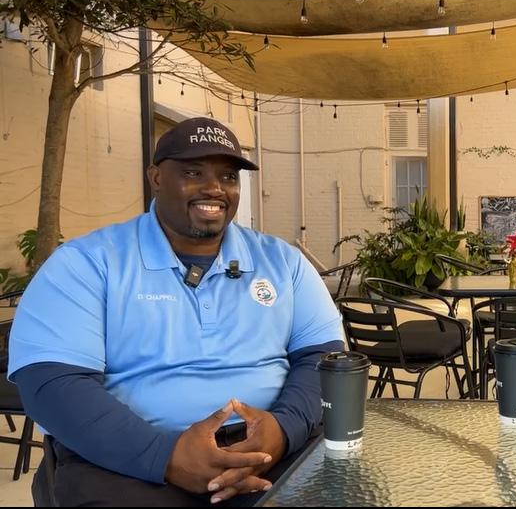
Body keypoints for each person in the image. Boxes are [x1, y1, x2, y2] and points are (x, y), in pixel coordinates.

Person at [8, 117, 345, 506]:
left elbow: (324, 357)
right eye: (193, 172)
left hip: (269, 454)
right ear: (156, 177)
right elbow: (52, 382)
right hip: (128, 460)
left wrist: (284, 429)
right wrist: (164, 455)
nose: (214, 188)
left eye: (228, 176)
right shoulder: (87, 262)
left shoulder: (283, 262)